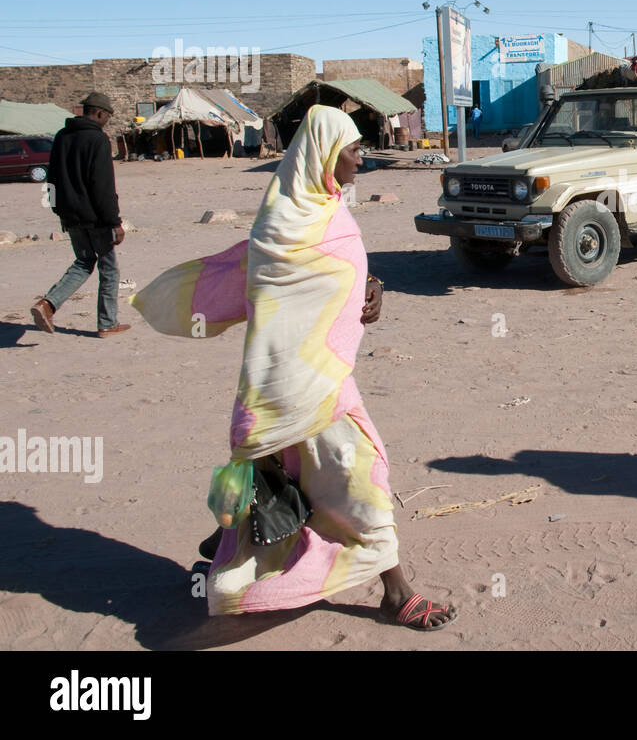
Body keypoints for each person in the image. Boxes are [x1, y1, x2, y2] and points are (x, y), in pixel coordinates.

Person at [130, 105, 457, 630]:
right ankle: (395, 593)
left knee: (302, 484)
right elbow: (273, 297)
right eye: (353, 150)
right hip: (287, 386)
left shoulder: (328, 207)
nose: (360, 160)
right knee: (361, 476)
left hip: (323, 376)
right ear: (326, 152)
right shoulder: (279, 224)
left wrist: (373, 291)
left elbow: (345, 278)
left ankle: (231, 560)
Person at [31, 92, 130, 337]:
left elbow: (51, 178)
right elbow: (103, 186)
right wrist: (114, 222)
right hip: (96, 218)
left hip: (70, 216)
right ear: (99, 113)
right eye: (107, 116)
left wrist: (58, 210)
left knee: (84, 262)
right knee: (109, 269)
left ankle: (48, 304)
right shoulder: (97, 140)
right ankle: (107, 323)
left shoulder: (61, 137)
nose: (107, 120)